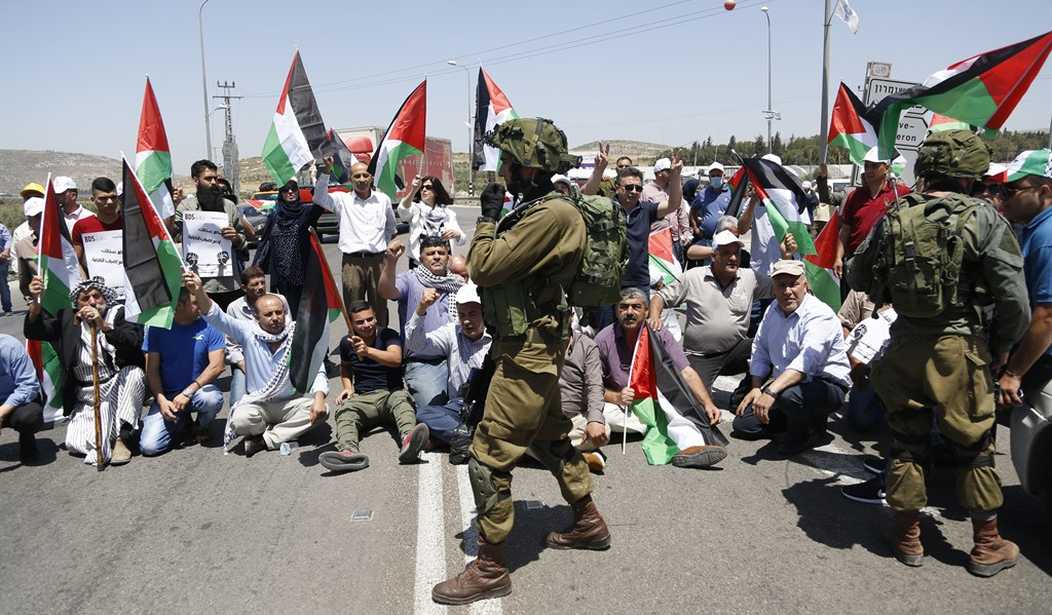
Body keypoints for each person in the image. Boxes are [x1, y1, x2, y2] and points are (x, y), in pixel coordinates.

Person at [433, 118, 609, 605]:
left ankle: (490, 566)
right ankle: (589, 521)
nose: (503, 170)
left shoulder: (551, 215)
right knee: (551, 439)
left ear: (530, 166)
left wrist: (488, 218)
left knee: (489, 456)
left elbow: (484, 266)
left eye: (509, 161)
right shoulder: (543, 208)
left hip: (530, 352)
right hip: (531, 346)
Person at [847, 130, 1030, 576]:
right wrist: (1002, 350)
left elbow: (855, 273)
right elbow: (1016, 304)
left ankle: (908, 536)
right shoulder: (984, 217)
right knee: (974, 445)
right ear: (970, 174)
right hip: (959, 347)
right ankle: (986, 544)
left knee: (906, 442)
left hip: (906, 343)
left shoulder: (895, 214)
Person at [185, 270, 328, 457]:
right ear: (256, 316)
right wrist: (198, 291)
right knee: (240, 420)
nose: (275, 318)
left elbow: (316, 368)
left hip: (291, 401)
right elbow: (216, 316)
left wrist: (318, 398)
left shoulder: (297, 334)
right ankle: (283, 432)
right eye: (268, 314)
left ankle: (264, 440)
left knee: (322, 410)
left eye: (279, 313)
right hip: (260, 403)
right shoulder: (247, 332)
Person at [24, 277, 147, 465]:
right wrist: (35, 301)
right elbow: (35, 331)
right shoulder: (67, 318)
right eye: (85, 298)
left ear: (104, 297)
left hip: (116, 385)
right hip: (86, 394)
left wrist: (103, 326)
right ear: (77, 304)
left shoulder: (119, 314)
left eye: (96, 296)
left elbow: (133, 341)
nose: (92, 302)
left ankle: (123, 438)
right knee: (75, 444)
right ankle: (113, 432)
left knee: (134, 374)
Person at [595, 287, 726, 464]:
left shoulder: (659, 334)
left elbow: (686, 372)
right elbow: (592, 386)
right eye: (623, 307)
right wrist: (616, 396)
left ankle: (691, 449)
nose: (629, 312)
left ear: (647, 311)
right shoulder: (603, 339)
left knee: (682, 405)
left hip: (658, 399)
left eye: (636, 307)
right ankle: (657, 426)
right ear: (616, 311)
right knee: (602, 414)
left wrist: (708, 403)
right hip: (623, 405)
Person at [733, 259, 851, 455]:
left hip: (824, 384)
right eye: (781, 285)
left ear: (805, 286)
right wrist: (755, 388)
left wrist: (770, 393)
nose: (787, 291)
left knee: (790, 396)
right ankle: (792, 421)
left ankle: (813, 432)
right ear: (774, 288)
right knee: (743, 424)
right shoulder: (772, 310)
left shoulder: (820, 314)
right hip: (784, 383)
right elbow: (760, 348)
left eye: (793, 284)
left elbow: (806, 363)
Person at [650, 230, 773, 389]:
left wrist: (786, 256)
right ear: (714, 256)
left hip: (735, 353)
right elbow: (660, 297)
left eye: (737, 253)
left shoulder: (750, 277)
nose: (733, 258)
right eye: (727, 253)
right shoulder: (693, 277)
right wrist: (654, 317)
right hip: (700, 356)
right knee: (695, 405)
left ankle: (744, 395)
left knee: (770, 348)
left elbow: (781, 288)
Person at [318, 303, 428, 473]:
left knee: (402, 403)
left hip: (390, 394)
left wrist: (368, 351)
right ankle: (348, 453)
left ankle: (409, 443)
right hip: (363, 398)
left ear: (376, 318)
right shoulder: (347, 343)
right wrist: (348, 387)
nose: (367, 325)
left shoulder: (388, 335)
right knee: (345, 411)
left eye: (370, 319)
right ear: (352, 324)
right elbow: (345, 367)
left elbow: (396, 358)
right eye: (360, 322)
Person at [996, 149, 1052, 420]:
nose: (1001, 198)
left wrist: (1013, 374)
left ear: (1043, 191)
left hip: (1042, 360)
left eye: (1011, 191)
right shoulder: (1033, 228)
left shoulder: (1047, 237)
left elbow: (1047, 316)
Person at [378, 236, 463, 408]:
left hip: (456, 356)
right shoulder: (410, 279)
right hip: (424, 362)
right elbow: (386, 291)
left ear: (448, 257)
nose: (437, 256)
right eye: (431, 253)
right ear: (421, 257)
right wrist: (391, 262)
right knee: (434, 410)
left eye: (441, 253)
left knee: (469, 404)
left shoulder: (458, 282)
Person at [139, 290, 225, 456]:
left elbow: (217, 366)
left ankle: (200, 426)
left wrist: (188, 392)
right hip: (168, 396)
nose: (201, 305)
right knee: (149, 447)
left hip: (197, 392)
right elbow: (152, 370)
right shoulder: (157, 328)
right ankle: (181, 423)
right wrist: (162, 400)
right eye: (195, 302)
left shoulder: (210, 324)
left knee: (212, 399)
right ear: (179, 305)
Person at [314, 158, 397, 327]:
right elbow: (319, 198)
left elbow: (391, 227)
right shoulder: (341, 200)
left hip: (378, 262)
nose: (361, 179)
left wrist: (383, 244)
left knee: (379, 305)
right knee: (354, 306)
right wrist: (326, 172)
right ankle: (358, 346)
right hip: (352, 263)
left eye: (365, 175)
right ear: (351, 179)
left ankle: (381, 343)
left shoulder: (383, 200)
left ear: (371, 178)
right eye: (357, 176)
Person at [408, 284, 492, 448]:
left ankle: (449, 438)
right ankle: (470, 438)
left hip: (489, 406)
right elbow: (415, 345)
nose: (466, 320)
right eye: (462, 315)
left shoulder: (498, 336)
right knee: (424, 413)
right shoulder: (451, 332)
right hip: (459, 406)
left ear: (484, 312)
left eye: (473, 314)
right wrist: (421, 310)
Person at [173, 160, 250, 311]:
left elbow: (244, 241)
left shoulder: (229, 206)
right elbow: (173, 237)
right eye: (208, 179)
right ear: (196, 180)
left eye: (215, 178)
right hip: (200, 285)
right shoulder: (186, 208)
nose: (214, 182)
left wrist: (236, 237)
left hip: (229, 284)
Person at [835, 147, 910, 278]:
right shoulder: (854, 196)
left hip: (886, 263)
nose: (869, 170)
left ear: (886, 168)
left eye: (874, 166)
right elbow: (845, 230)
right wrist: (838, 257)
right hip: (857, 262)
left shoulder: (900, 193)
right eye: (866, 166)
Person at [252, 179, 323, 314]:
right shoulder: (274, 216)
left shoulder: (305, 213)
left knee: (303, 313)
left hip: (302, 273)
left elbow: (319, 207)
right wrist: (255, 267)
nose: (290, 192)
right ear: (281, 194)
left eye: (293, 189)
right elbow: (264, 243)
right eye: (286, 190)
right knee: (284, 311)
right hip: (281, 274)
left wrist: (320, 182)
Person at [224, 266, 290, 407]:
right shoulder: (234, 308)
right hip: (246, 361)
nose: (260, 287)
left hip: (279, 356)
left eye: (262, 282)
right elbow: (231, 347)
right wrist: (246, 366)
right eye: (255, 284)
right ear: (243, 287)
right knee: (237, 402)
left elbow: (288, 331)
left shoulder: (279, 300)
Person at [557, 326, 609, 473]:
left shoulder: (587, 346)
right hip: (542, 420)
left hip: (573, 421)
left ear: (570, 315)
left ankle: (535, 454)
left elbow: (595, 386)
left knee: (603, 431)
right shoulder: (534, 344)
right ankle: (579, 458)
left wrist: (594, 420)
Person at [398, 175, 464, 267]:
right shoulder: (415, 209)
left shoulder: (448, 213)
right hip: (419, 263)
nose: (424, 190)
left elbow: (462, 239)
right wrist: (414, 190)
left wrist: (457, 234)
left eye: (428, 187)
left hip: (442, 262)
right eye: (421, 188)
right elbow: (403, 210)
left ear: (436, 192)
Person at [0, 333, 44, 461]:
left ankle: (27, 441)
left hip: (16, 404)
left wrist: (1, 413)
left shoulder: (10, 347)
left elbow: (28, 386)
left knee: (29, 416)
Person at [71, 177, 123, 276]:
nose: (110, 202)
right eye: (103, 198)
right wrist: (86, 284)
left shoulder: (129, 224)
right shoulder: (82, 226)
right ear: (92, 200)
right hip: (96, 287)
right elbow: (76, 262)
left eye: (113, 197)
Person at [645, 157, 692, 262]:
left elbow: (681, 213)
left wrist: (686, 232)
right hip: (657, 241)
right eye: (669, 171)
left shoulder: (674, 189)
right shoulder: (646, 191)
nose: (672, 173)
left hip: (676, 241)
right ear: (659, 173)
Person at [688, 162, 733, 261]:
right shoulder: (703, 193)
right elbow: (693, 210)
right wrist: (696, 228)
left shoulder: (731, 193)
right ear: (709, 177)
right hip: (707, 240)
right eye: (713, 175)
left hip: (726, 240)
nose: (715, 177)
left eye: (718, 175)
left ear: (723, 176)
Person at [14, 197, 43, 303]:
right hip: (42, 305)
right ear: (29, 222)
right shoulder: (22, 246)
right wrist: (31, 302)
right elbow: (24, 280)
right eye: (37, 217)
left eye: (42, 215)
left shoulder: (64, 240)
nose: (41, 220)